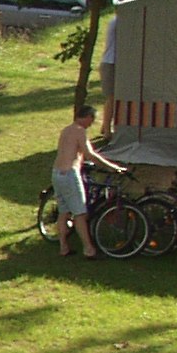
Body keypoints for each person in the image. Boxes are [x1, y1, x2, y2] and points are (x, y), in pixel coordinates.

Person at [54, 104, 128, 259]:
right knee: (80, 213)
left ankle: (63, 246)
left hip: (57, 174)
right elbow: (90, 154)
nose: (91, 124)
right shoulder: (80, 131)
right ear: (87, 117)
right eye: (91, 121)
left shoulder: (66, 130)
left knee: (63, 211)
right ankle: (89, 249)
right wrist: (113, 167)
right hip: (69, 174)